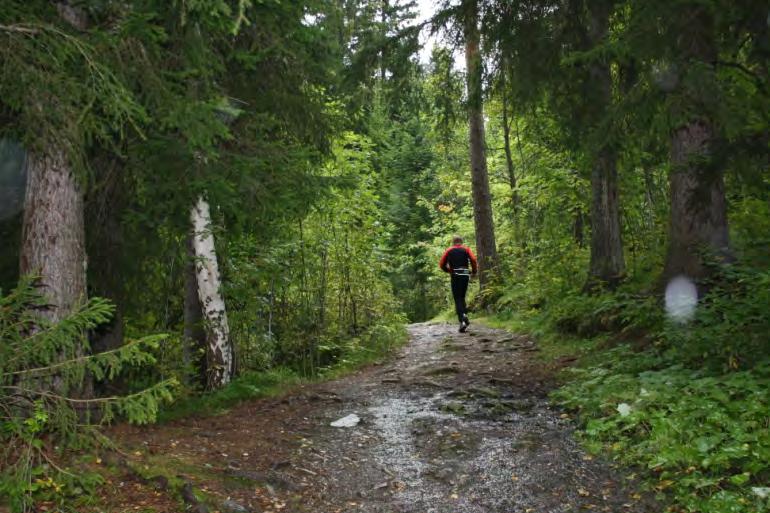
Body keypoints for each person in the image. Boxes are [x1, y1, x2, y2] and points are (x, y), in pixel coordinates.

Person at [439, 236, 478, 332]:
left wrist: (448, 270)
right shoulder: (466, 249)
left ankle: (462, 320)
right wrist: (474, 271)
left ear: (453, 242)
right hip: (465, 274)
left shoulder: (449, 250)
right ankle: (464, 315)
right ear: (461, 242)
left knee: (457, 298)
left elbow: (441, 264)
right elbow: (473, 259)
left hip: (455, 275)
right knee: (462, 296)